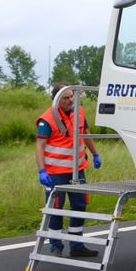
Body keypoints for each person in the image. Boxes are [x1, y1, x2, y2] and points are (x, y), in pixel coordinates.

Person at [35, 83, 102, 257]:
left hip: (77, 169)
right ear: (56, 99)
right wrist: (42, 170)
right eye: (66, 97)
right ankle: (56, 245)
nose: (71, 100)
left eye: (72, 96)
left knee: (79, 204)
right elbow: (40, 145)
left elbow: (85, 133)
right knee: (56, 208)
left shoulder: (79, 111)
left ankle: (76, 245)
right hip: (55, 172)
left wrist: (95, 154)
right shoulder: (47, 118)